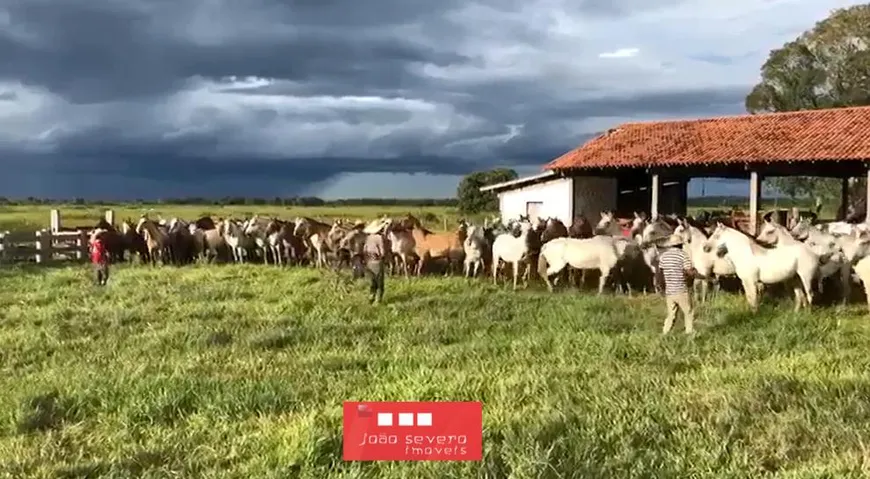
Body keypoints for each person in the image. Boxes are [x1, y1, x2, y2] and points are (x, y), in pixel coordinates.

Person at [655, 234, 695, 335]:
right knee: (688, 312)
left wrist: (661, 288)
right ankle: (689, 332)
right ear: (680, 245)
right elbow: (689, 272)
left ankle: (665, 332)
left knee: (671, 314)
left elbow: (660, 274)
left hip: (669, 291)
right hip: (681, 290)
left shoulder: (664, 256)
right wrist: (695, 274)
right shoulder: (683, 255)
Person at [362, 222, 391, 304]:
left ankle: (371, 297)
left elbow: (364, 249)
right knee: (379, 282)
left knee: (372, 280)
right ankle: (378, 300)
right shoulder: (379, 237)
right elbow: (382, 251)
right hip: (377, 261)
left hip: (369, 261)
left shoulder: (368, 237)